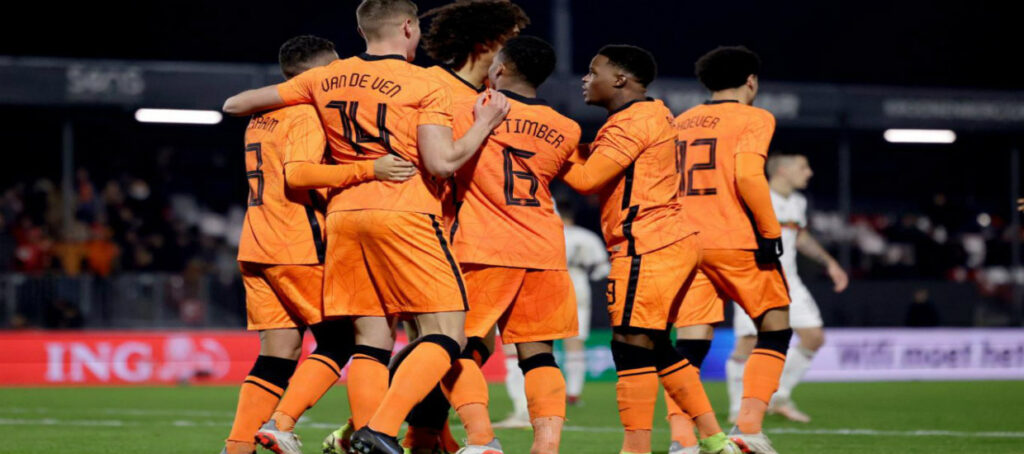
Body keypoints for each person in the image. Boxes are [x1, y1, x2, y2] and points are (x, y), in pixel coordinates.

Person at [221, 1, 511, 452]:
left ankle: (340, 434)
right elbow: (441, 161)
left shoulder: (324, 79)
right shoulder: (425, 82)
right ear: (409, 27)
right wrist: (484, 124)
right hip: (400, 212)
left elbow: (235, 103)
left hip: (340, 220)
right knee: (448, 333)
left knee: (369, 340)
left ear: (360, 31)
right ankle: (388, 429)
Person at [223, 35, 417, 454]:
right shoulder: (307, 113)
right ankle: (284, 424)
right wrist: (371, 169)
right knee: (344, 341)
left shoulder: (262, 117)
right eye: (335, 67)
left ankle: (238, 446)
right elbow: (300, 175)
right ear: (320, 72)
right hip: (299, 244)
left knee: (279, 351)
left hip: (257, 243)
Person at [558, 45, 740, 454]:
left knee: (629, 344)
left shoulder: (634, 120)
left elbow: (586, 180)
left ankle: (636, 448)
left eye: (594, 71)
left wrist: (548, 147)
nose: (586, 79)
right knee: (652, 344)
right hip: (666, 240)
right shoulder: (649, 113)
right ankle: (715, 439)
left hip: (647, 243)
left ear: (620, 79)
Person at [371, 3, 530, 452]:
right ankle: (409, 431)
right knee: (445, 341)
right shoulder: (430, 85)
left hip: (468, 234)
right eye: (510, 39)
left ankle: (423, 435)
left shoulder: (490, 94)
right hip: (425, 229)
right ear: (486, 43)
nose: (515, 50)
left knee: (451, 344)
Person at [668, 45, 792, 454]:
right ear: (751, 81)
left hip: (685, 241)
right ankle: (748, 429)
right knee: (775, 327)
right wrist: (769, 231)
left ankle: (682, 441)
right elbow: (749, 175)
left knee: (690, 345)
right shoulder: (755, 117)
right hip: (735, 238)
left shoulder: (681, 121)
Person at [725, 151, 849, 424]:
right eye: (803, 167)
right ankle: (738, 408)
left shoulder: (797, 202)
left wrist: (830, 263)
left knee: (814, 337)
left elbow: (800, 237)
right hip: (755, 278)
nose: (809, 173)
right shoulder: (755, 196)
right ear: (782, 170)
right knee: (748, 342)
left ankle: (778, 395)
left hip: (789, 280)